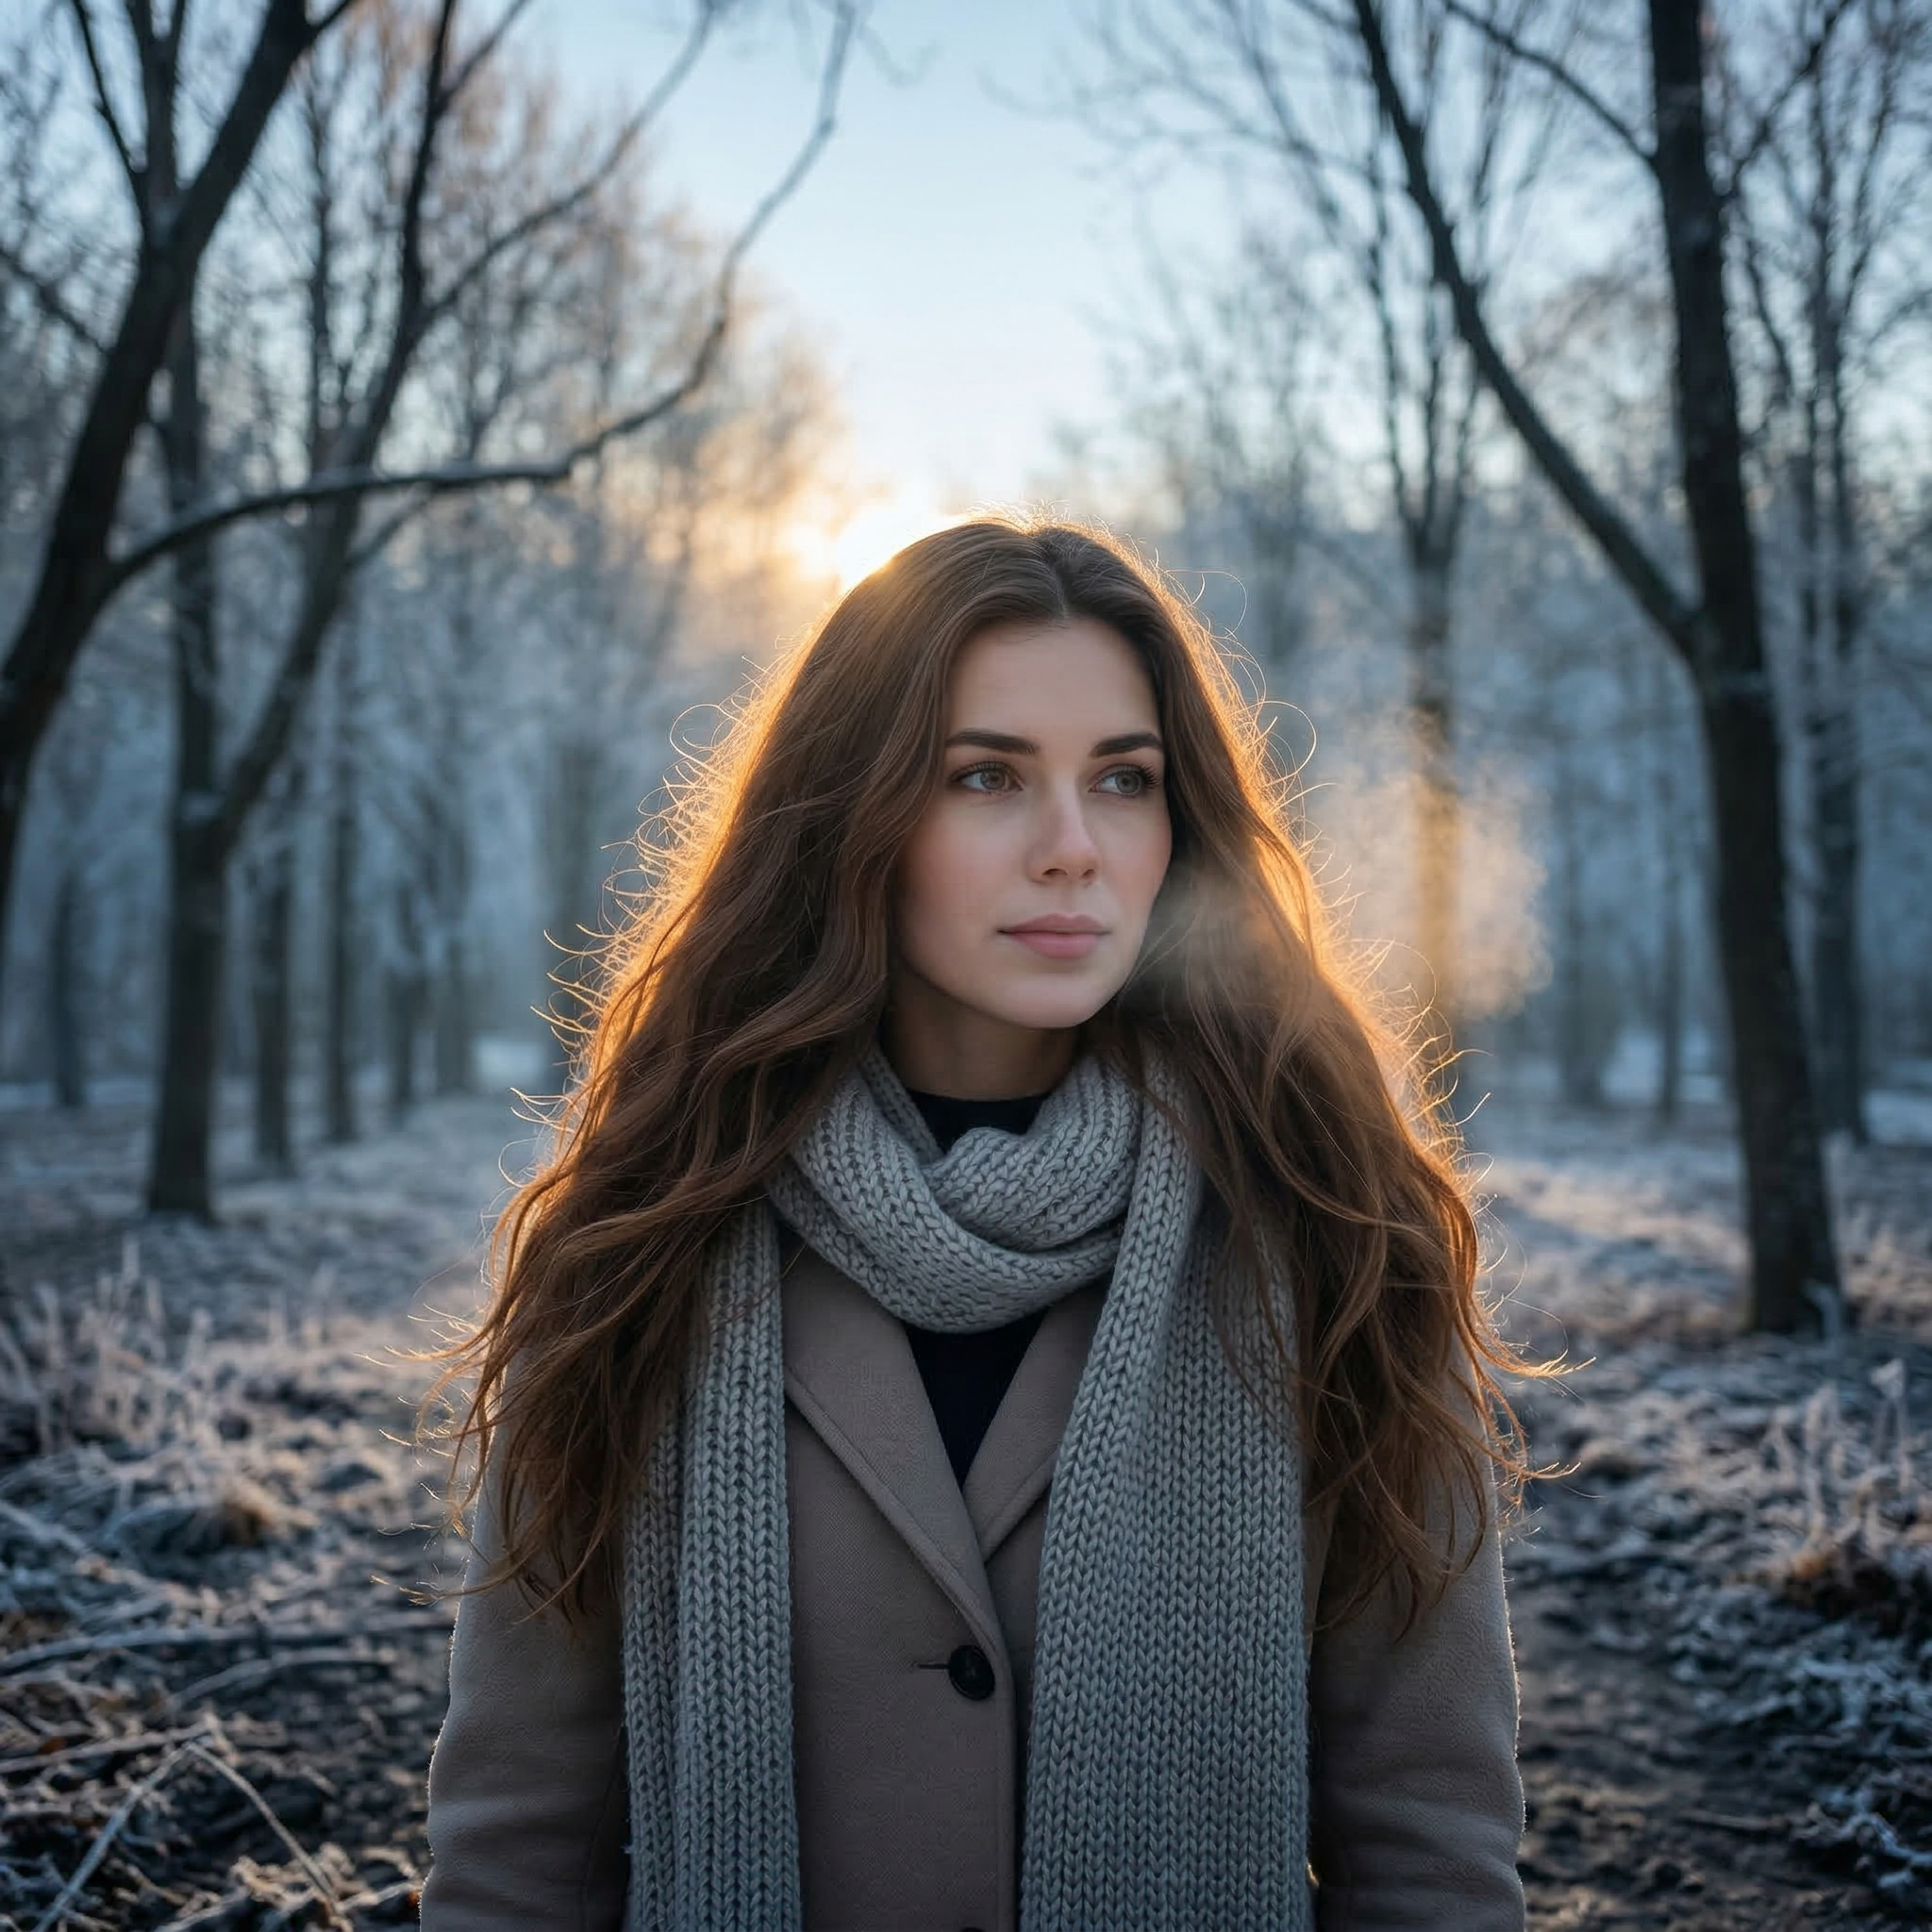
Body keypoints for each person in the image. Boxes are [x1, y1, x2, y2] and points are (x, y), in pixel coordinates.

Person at [419, 516, 1533, 1931]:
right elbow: (520, 1850)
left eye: (1123, 780)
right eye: (986, 776)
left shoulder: (1334, 1230)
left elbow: (1428, 1847)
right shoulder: (646, 1234)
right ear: (851, 815)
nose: (1073, 849)